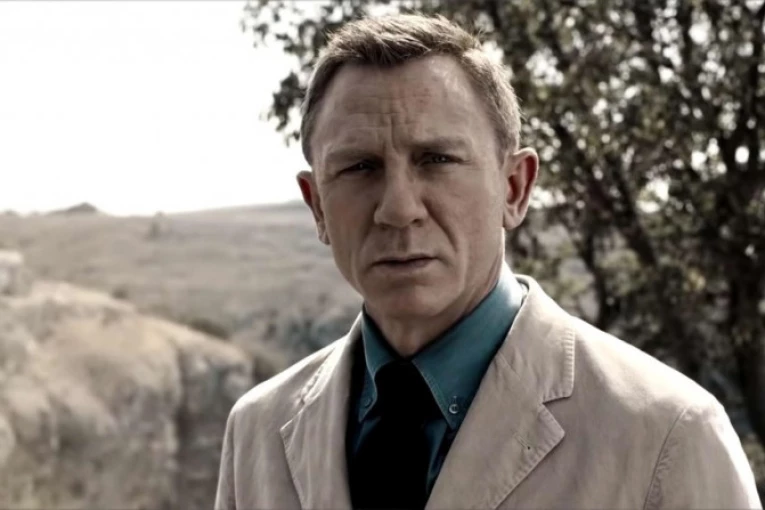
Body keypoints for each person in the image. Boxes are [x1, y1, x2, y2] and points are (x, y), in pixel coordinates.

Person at [214, 13, 762, 510]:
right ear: (317, 206)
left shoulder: (665, 435)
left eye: (436, 159)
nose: (398, 208)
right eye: (360, 167)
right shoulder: (258, 433)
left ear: (514, 188)